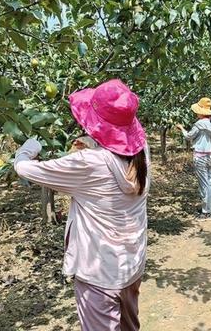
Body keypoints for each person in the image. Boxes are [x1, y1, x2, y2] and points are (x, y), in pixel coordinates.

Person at [13, 79, 150, 331]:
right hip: (131, 263)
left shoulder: (89, 164)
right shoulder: (141, 153)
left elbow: (26, 169)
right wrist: (92, 143)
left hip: (99, 273)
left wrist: (26, 150)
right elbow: (113, 154)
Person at [177, 97, 211, 221]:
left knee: (203, 184)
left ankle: (206, 212)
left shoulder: (199, 124)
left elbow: (188, 136)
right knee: (209, 181)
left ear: (201, 112)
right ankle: (208, 208)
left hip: (201, 156)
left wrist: (181, 129)